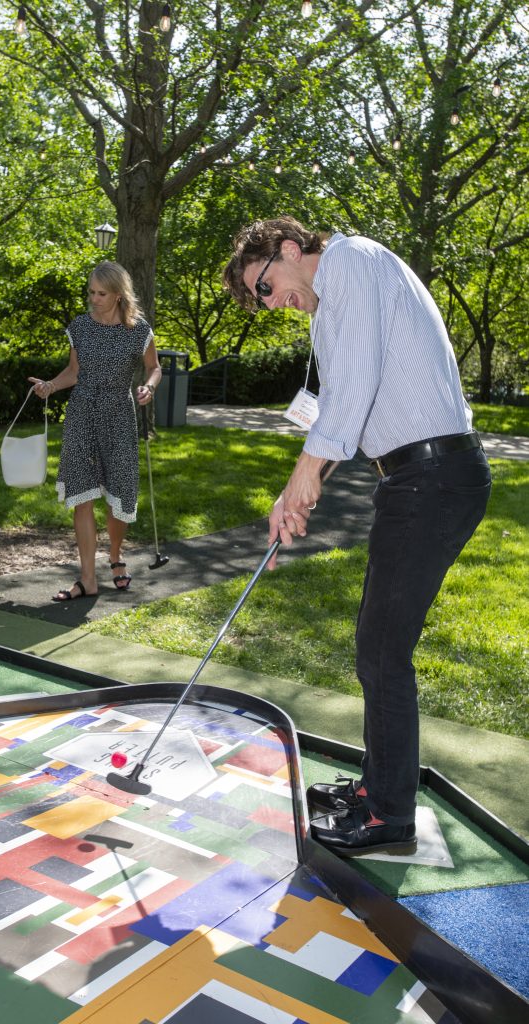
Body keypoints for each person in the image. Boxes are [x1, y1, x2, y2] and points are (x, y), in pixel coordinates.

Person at [223, 216, 491, 856]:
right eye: (262, 301)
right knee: (377, 643)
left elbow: (357, 382)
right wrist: (300, 487)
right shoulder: (327, 309)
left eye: (265, 287)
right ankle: (377, 790)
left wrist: (304, 477)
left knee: (380, 649)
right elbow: (337, 399)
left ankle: (388, 816)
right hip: (411, 480)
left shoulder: (354, 262)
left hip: (434, 475)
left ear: (288, 249)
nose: (271, 303)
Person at [29, 260, 161, 602]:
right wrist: (50, 386)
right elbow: (73, 372)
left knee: (118, 497)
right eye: (91, 292)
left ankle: (115, 555)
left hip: (119, 415)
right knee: (83, 496)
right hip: (82, 414)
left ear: (119, 295)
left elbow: (154, 367)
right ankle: (88, 578)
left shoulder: (139, 330)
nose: (94, 298)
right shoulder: (80, 328)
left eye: (101, 293)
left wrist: (149, 387)